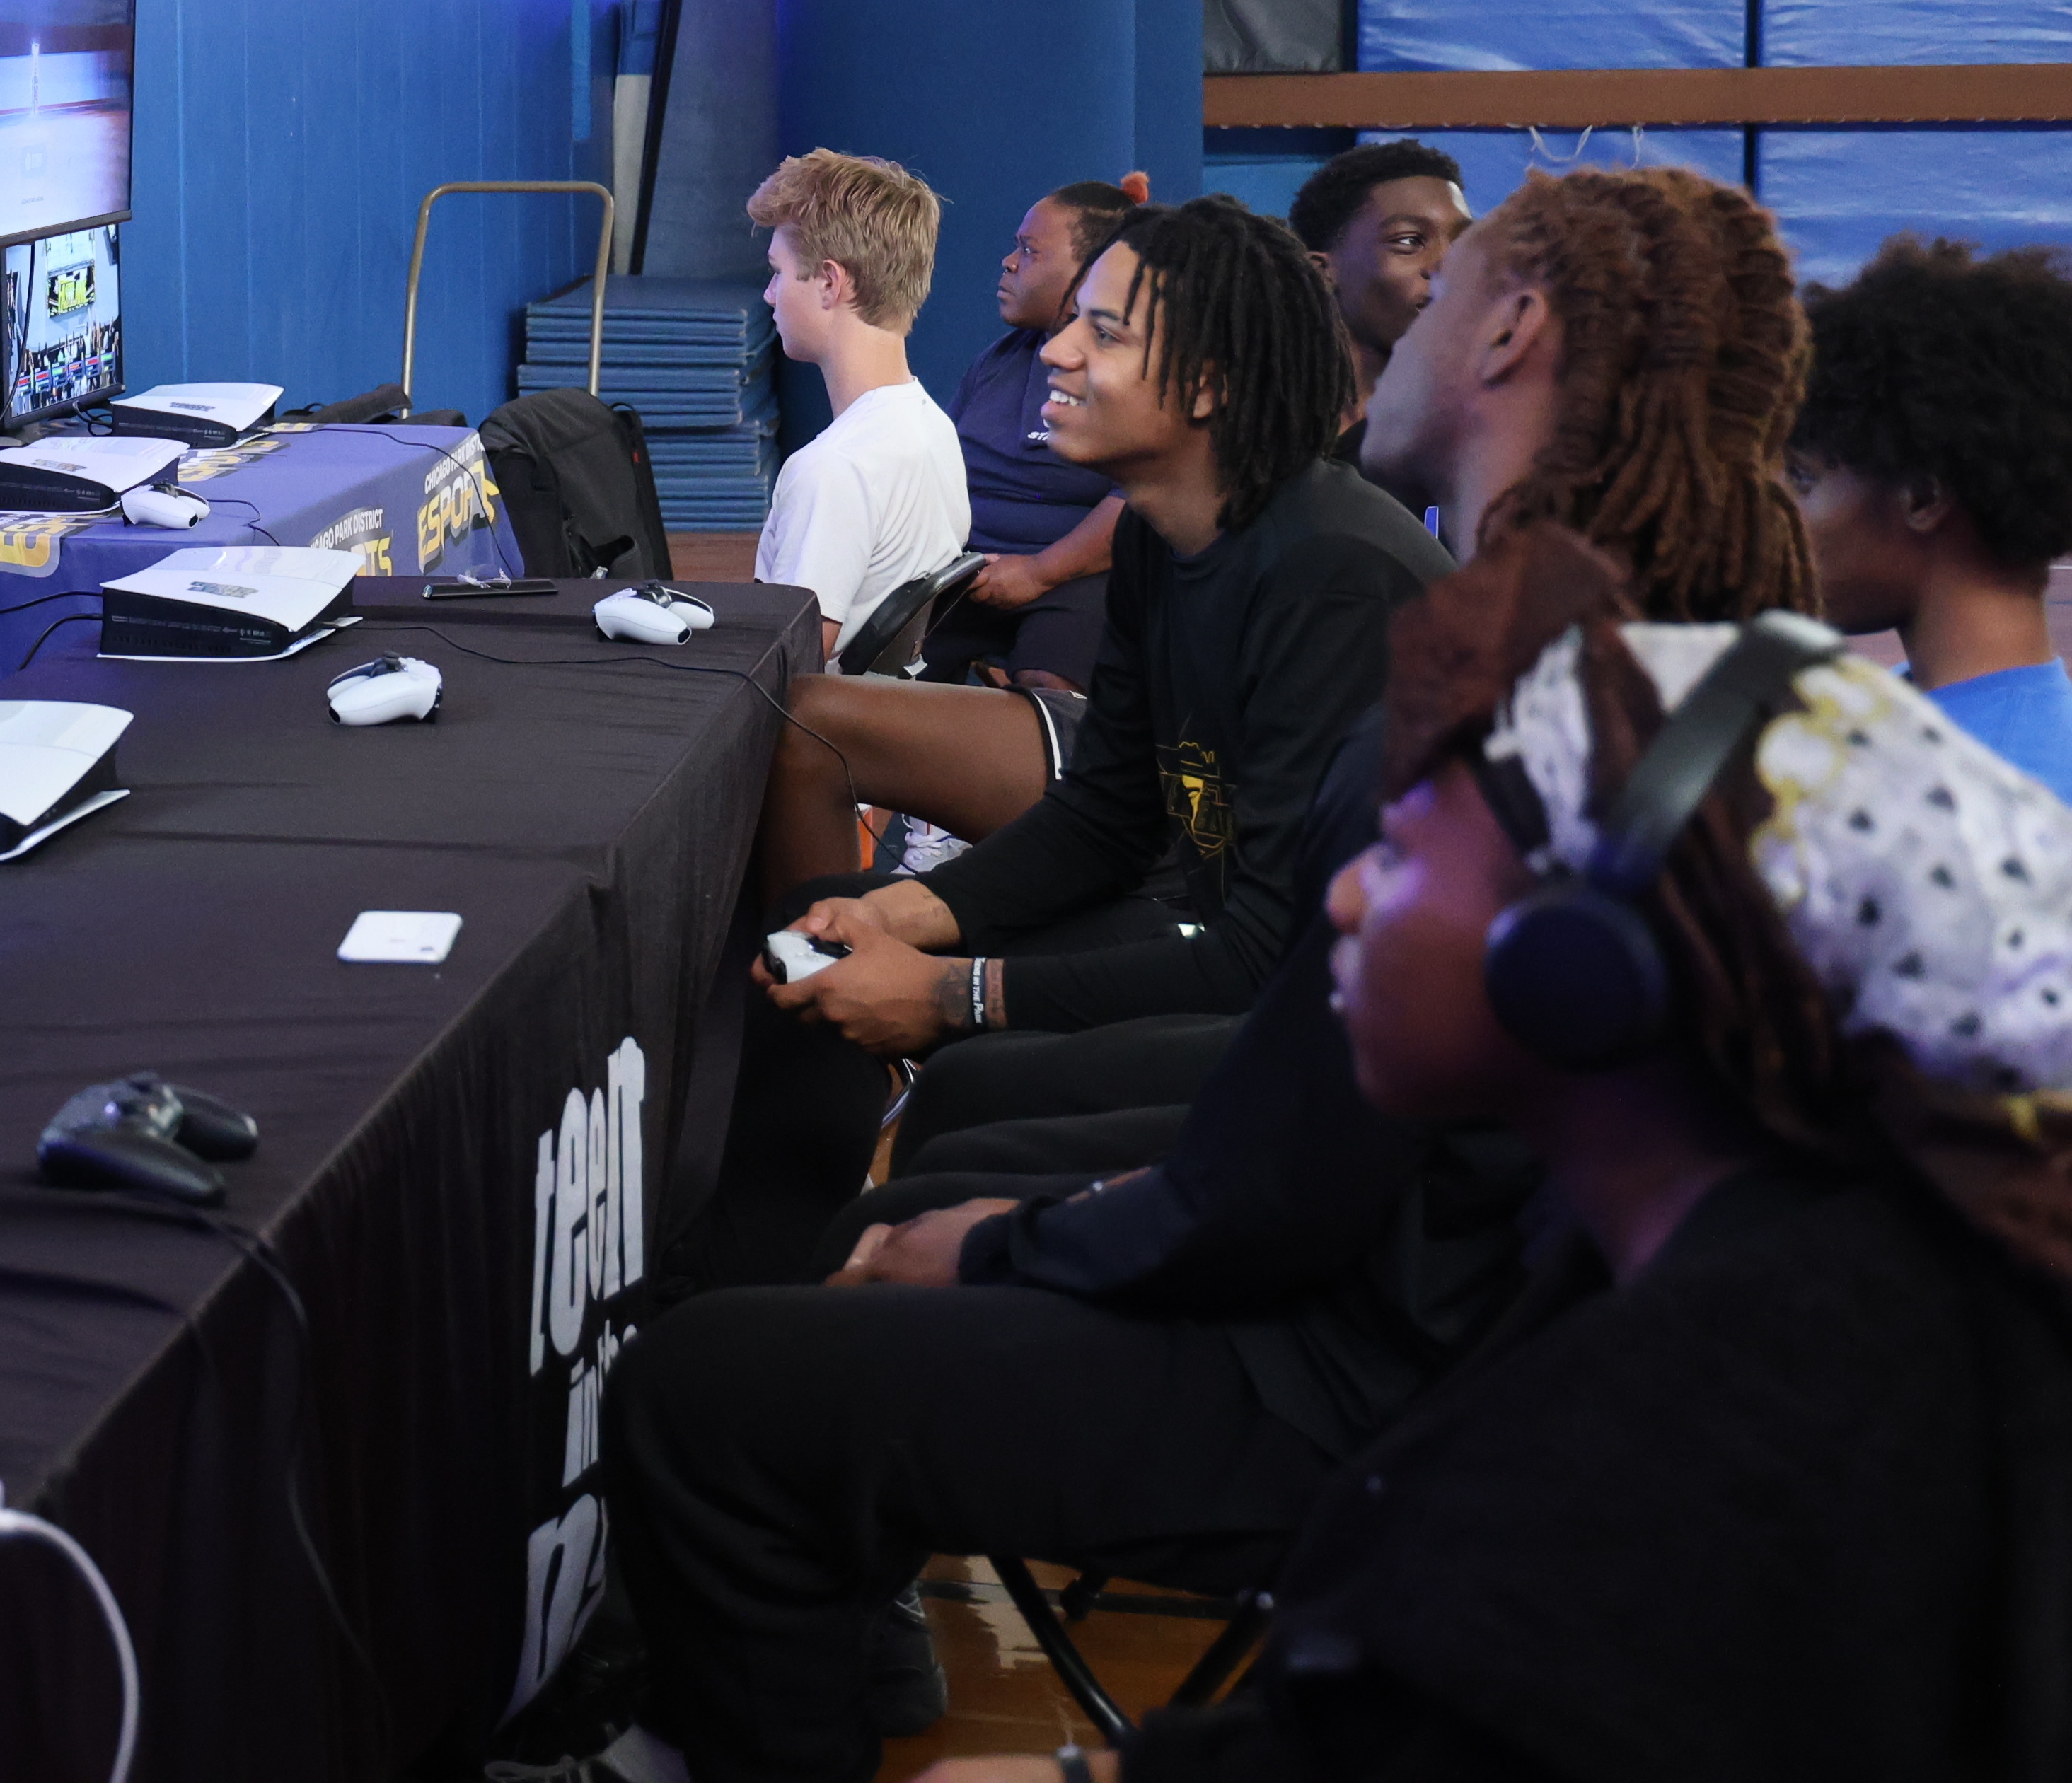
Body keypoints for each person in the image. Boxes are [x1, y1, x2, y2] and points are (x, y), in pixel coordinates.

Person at [521, 170, 1826, 1783]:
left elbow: (1287, 1149)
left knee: (706, 1384)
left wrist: (1012, 1205)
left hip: (1384, 1370)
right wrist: (947, 965)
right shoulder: (1684, 685)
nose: (1401, 316)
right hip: (1413, 1301)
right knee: (879, 1232)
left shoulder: (1523, 701)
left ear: (1515, 329)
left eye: (1453, 270)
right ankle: (809, 1663)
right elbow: (1291, 1083)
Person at [918, 527, 2072, 1783]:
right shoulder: (1768, 1247)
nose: (1348, 902)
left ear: (1578, 976)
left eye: (1405, 850)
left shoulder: (1713, 1415)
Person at [682, 198, 1440, 1296]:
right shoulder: (1154, 539)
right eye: (1072, 320)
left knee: (968, 1090)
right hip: (1245, 949)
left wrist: (956, 995)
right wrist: (901, 914)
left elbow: (1269, 956)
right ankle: (747, 1273)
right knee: (836, 963)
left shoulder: (1329, 577)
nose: (1061, 351)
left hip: (1347, 1037)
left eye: (1108, 333)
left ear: (1214, 383)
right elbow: (1109, 815)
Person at [1792, 234, 2072, 814]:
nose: (1783, 514)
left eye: (1804, 481)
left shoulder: (2014, 813)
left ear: (1922, 495)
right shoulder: (1934, 711)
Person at [744, 150, 971, 658]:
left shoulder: (831, 470)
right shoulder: (936, 429)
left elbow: (784, 669)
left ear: (829, 282)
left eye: (778, 273)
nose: (769, 295)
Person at [939, 178, 1145, 690]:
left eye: (1029, 251)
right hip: (967, 575)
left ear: (1093, 271)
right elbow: (936, 471)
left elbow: (1139, 499)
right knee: (880, 679)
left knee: (1046, 690)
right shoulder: (995, 362)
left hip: (1079, 580)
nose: (1009, 262)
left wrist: (1039, 572)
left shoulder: (1131, 372)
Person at [1286, 141, 1470, 436]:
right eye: (1410, 242)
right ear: (1321, 272)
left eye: (1462, 243)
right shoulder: (1264, 437)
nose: (1448, 266)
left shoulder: (1478, 441)